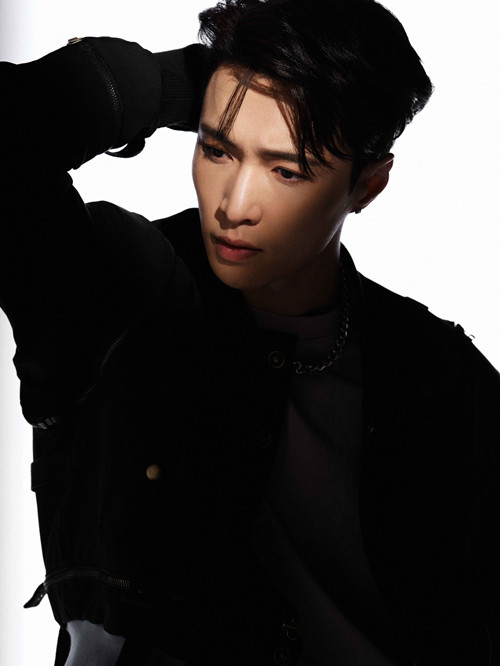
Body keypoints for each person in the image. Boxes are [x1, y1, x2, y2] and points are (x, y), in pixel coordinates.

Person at [1, 0, 499, 664]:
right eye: (217, 149)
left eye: (286, 170)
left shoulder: (439, 376)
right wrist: (166, 82)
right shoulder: (115, 294)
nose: (234, 206)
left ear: (368, 185)